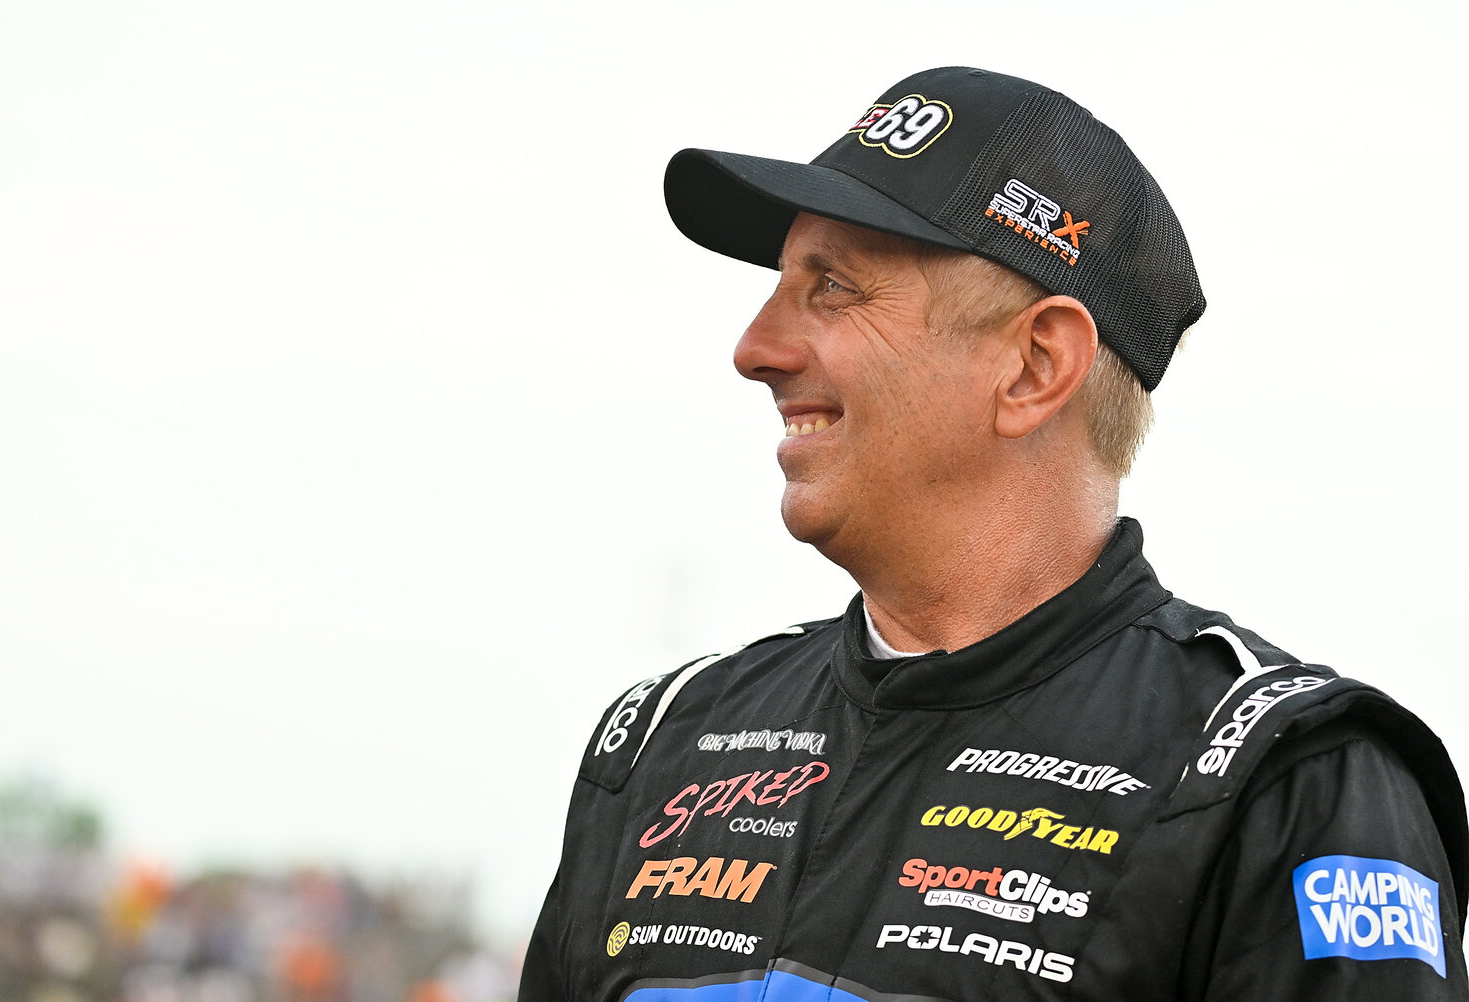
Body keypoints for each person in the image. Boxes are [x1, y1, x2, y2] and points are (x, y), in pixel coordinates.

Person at [517, 66, 1469, 1001]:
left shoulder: (1286, 780)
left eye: (833, 288)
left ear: (1034, 365)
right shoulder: (661, 743)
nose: (754, 349)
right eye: (779, 285)